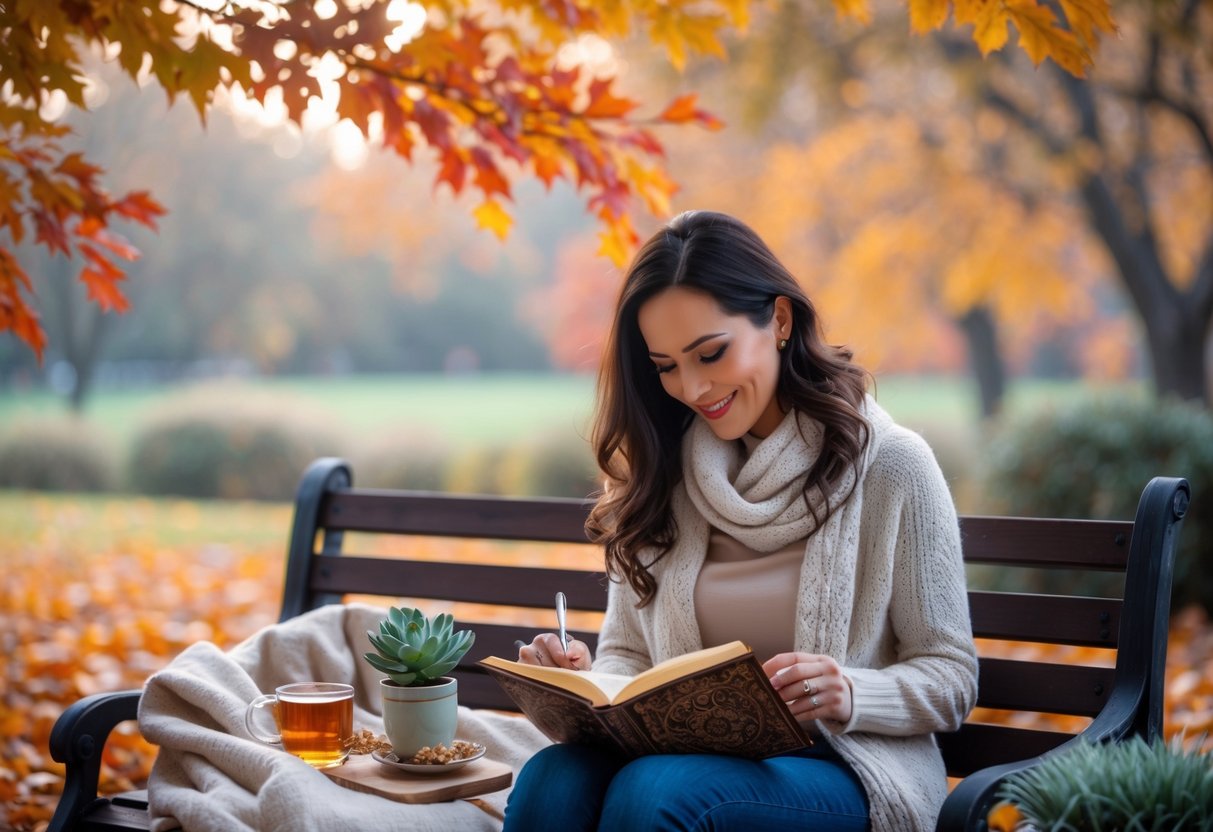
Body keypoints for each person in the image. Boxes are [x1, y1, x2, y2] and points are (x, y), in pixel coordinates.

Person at [504, 210, 978, 832]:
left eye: (710, 353)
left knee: (658, 792)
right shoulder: (666, 477)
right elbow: (626, 655)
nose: (693, 387)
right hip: (688, 761)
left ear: (779, 320)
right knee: (553, 779)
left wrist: (851, 692)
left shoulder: (892, 467)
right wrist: (585, 682)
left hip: (847, 769)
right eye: (666, 365)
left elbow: (951, 675)